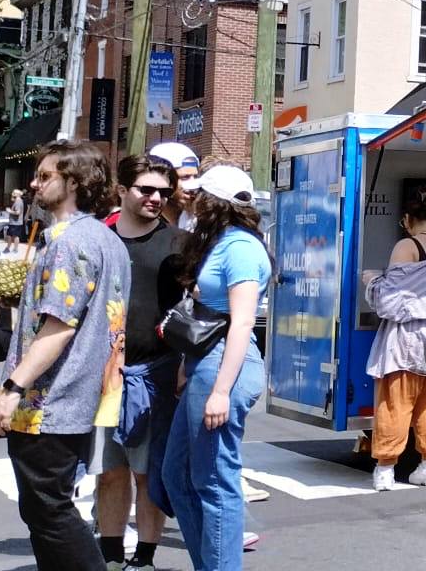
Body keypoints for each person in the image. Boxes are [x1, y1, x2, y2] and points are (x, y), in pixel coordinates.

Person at [0, 142, 129, 570]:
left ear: (75, 182)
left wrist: (11, 389)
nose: (33, 182)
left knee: (49, 510)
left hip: (52, 402)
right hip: (81, 397)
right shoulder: (106, 239)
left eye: (45, 176)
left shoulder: (71, 242)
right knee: (46, 509)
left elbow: (58, 327)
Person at [157, 164, 268, 571]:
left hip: (225, 364)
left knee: (214, 481)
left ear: (215, 202)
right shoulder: (220, 241)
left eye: (200, 193)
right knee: (177, 475)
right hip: (208, 361)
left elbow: (241, 321)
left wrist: (221, 390)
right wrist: (191, 366)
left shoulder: (240, 247)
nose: (192, 196)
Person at [93, 156, 187, 570]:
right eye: (146, 189)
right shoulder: (97, 237)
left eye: (163, 192)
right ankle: (111, 556)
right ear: (122, 190)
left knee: (148, 473)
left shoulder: (179, 244)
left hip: (157, 372)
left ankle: (144, 559)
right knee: (109, 472)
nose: (155, 198)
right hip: (100, 375)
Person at [364, 185, 426, 492]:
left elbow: (390, 302)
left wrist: (372, 281)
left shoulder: (406, 248)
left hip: (411, 338)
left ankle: (385, 468)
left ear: (407, 219)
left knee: (396, 401)